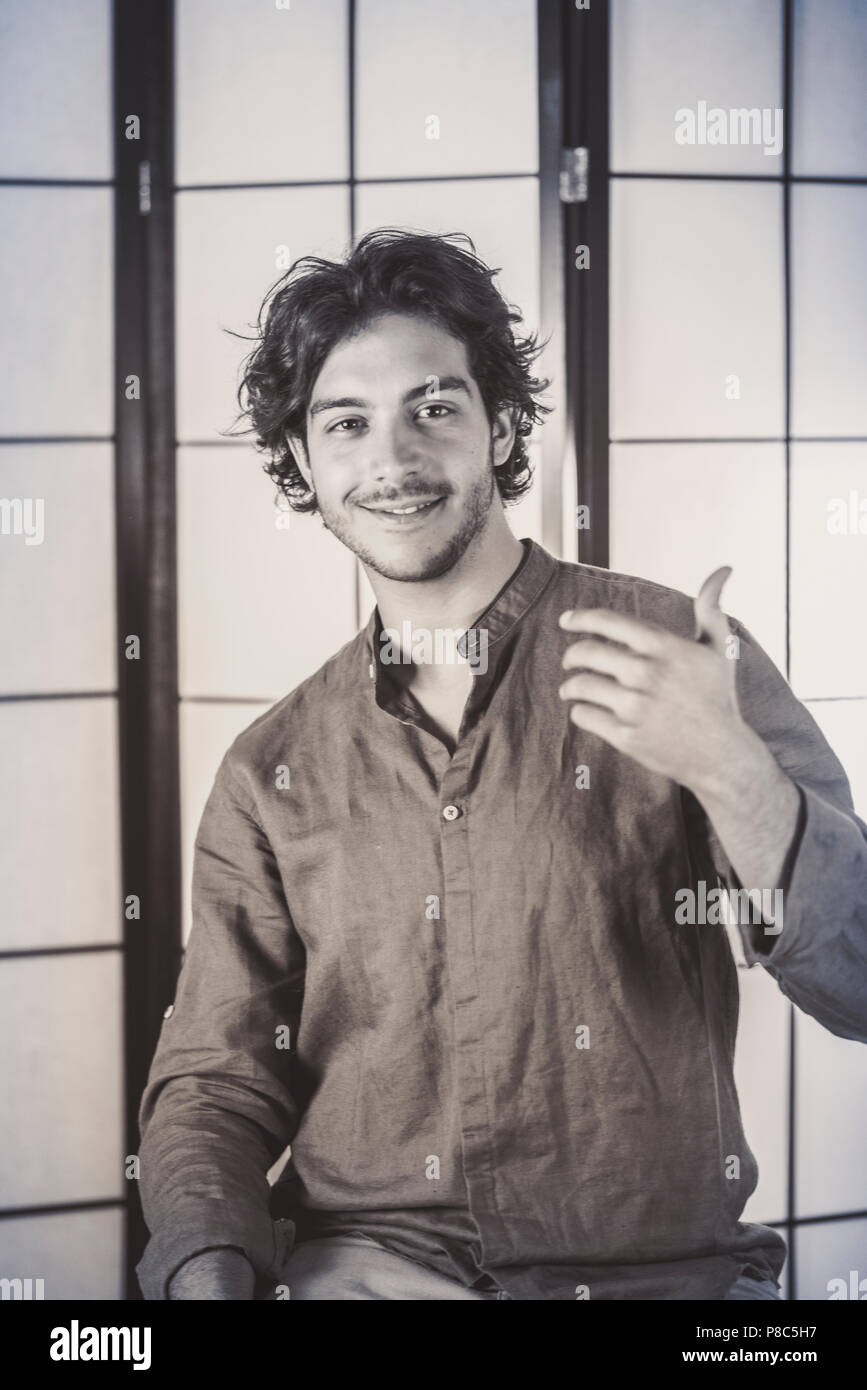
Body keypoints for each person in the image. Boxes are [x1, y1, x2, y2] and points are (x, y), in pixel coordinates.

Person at [137, 230, 867, 1301]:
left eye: (434, 407)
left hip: (669, 1283)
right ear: (304, 461)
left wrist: (735, 773)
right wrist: (209, 1274)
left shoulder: (687, 661)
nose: (391, 460)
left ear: (504, 424)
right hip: (370, 1272)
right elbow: (214, 1079)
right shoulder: (271, 768)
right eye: (347, 424)